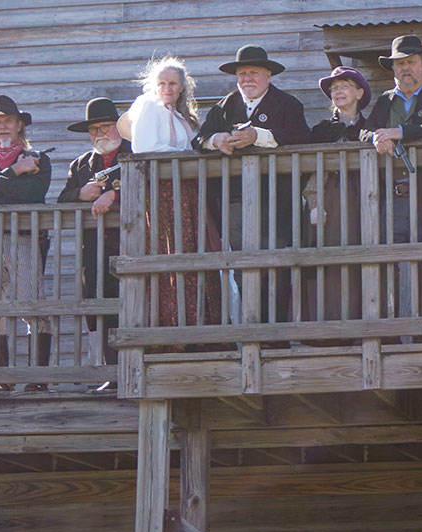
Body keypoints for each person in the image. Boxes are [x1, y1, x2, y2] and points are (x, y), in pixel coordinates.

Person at [194, 44, 309, 325]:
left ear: (268, 75)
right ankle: (251, 330)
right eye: (242, 73)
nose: (247, 79)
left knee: (277, 265)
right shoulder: (225, 106)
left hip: (277, 200)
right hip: (235, 201)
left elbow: (301, 139)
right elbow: (198, 140)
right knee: (243, 266)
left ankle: (275, 336)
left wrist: (258, 135)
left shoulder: (288, 105)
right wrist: (215, 140)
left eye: (253, 73)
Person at [124, 56, 222, 333]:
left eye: (173, 84)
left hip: (186, 189)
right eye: (162, 83)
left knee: (192, 249)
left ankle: (199, 326)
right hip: (162, 190)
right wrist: (184, 157)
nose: (167, 88)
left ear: (181, 88)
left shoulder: (180, 114)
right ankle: (171, 329)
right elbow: (142, 148)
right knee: (170, 252)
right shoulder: (149, 106)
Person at [363, 35, 422, 320]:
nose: (406, 68)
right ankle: (386, 332)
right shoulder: (385, 101)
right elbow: (365, 130)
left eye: (411, 62)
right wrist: (375, 138)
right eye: (400, 64)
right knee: (383, 262)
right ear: (393, 70)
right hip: (391, 197)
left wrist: (400, 132)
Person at [0, 94, 53, 392]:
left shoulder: (39, 160)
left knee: (34, 306)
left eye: (8, 121)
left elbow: (31, 194)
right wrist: (15, 172)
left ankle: (37, 380)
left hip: (25, 239)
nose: (3, 126)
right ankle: (0, 380)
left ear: (19, 126)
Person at [58, 97, 131, 382]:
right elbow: (61, 200)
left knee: (133, 306)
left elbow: (153, 186)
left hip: (132, 245)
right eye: (94, 129)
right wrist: (80, 194)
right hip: (95, 250)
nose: (100, 133)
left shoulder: (136, 153)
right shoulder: (80, 166)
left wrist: (116, 195)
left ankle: (131, 370)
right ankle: (109, 373)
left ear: (119, 128)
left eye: (106, 126)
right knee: (98, 310)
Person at [303, 66, 372, 328]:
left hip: (364, 198)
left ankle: (362, 325)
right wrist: (314, 204)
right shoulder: (320, 131)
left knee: (362, 256)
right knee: (327, 258)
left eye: (343, 86)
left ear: (359, 92)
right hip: (328, 199)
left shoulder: (371, 128)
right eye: (333, 89)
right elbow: (309, 172)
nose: (338, 92)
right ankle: (328, 328)